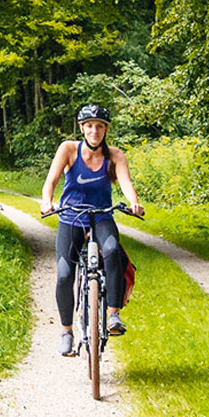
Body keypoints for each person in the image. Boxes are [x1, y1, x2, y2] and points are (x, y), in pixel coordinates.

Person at [38, 103, 144, 356]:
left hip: (101, 217)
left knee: (112, 251)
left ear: (106, 130)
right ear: (82, 128)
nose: (94, 131)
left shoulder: (115, 155)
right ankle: (66, 332)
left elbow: (126, 182)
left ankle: (112, 315)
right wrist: (46, 201)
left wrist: (134, 203)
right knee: (65, 274)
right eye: (89, 126)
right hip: (71, 218)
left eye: (99, 126)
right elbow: (51, 181)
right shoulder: (68, 149)